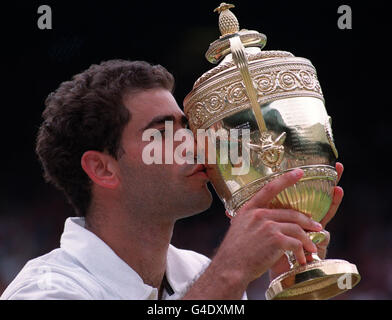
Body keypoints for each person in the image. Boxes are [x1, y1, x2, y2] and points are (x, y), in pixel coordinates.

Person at [0, 60, 344, 300]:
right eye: (163, 133)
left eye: (186, 128)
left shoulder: (199, 270)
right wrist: (229, 272)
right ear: (103, 169)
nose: (195, 144)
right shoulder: (46, 290)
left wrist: (292, 284)